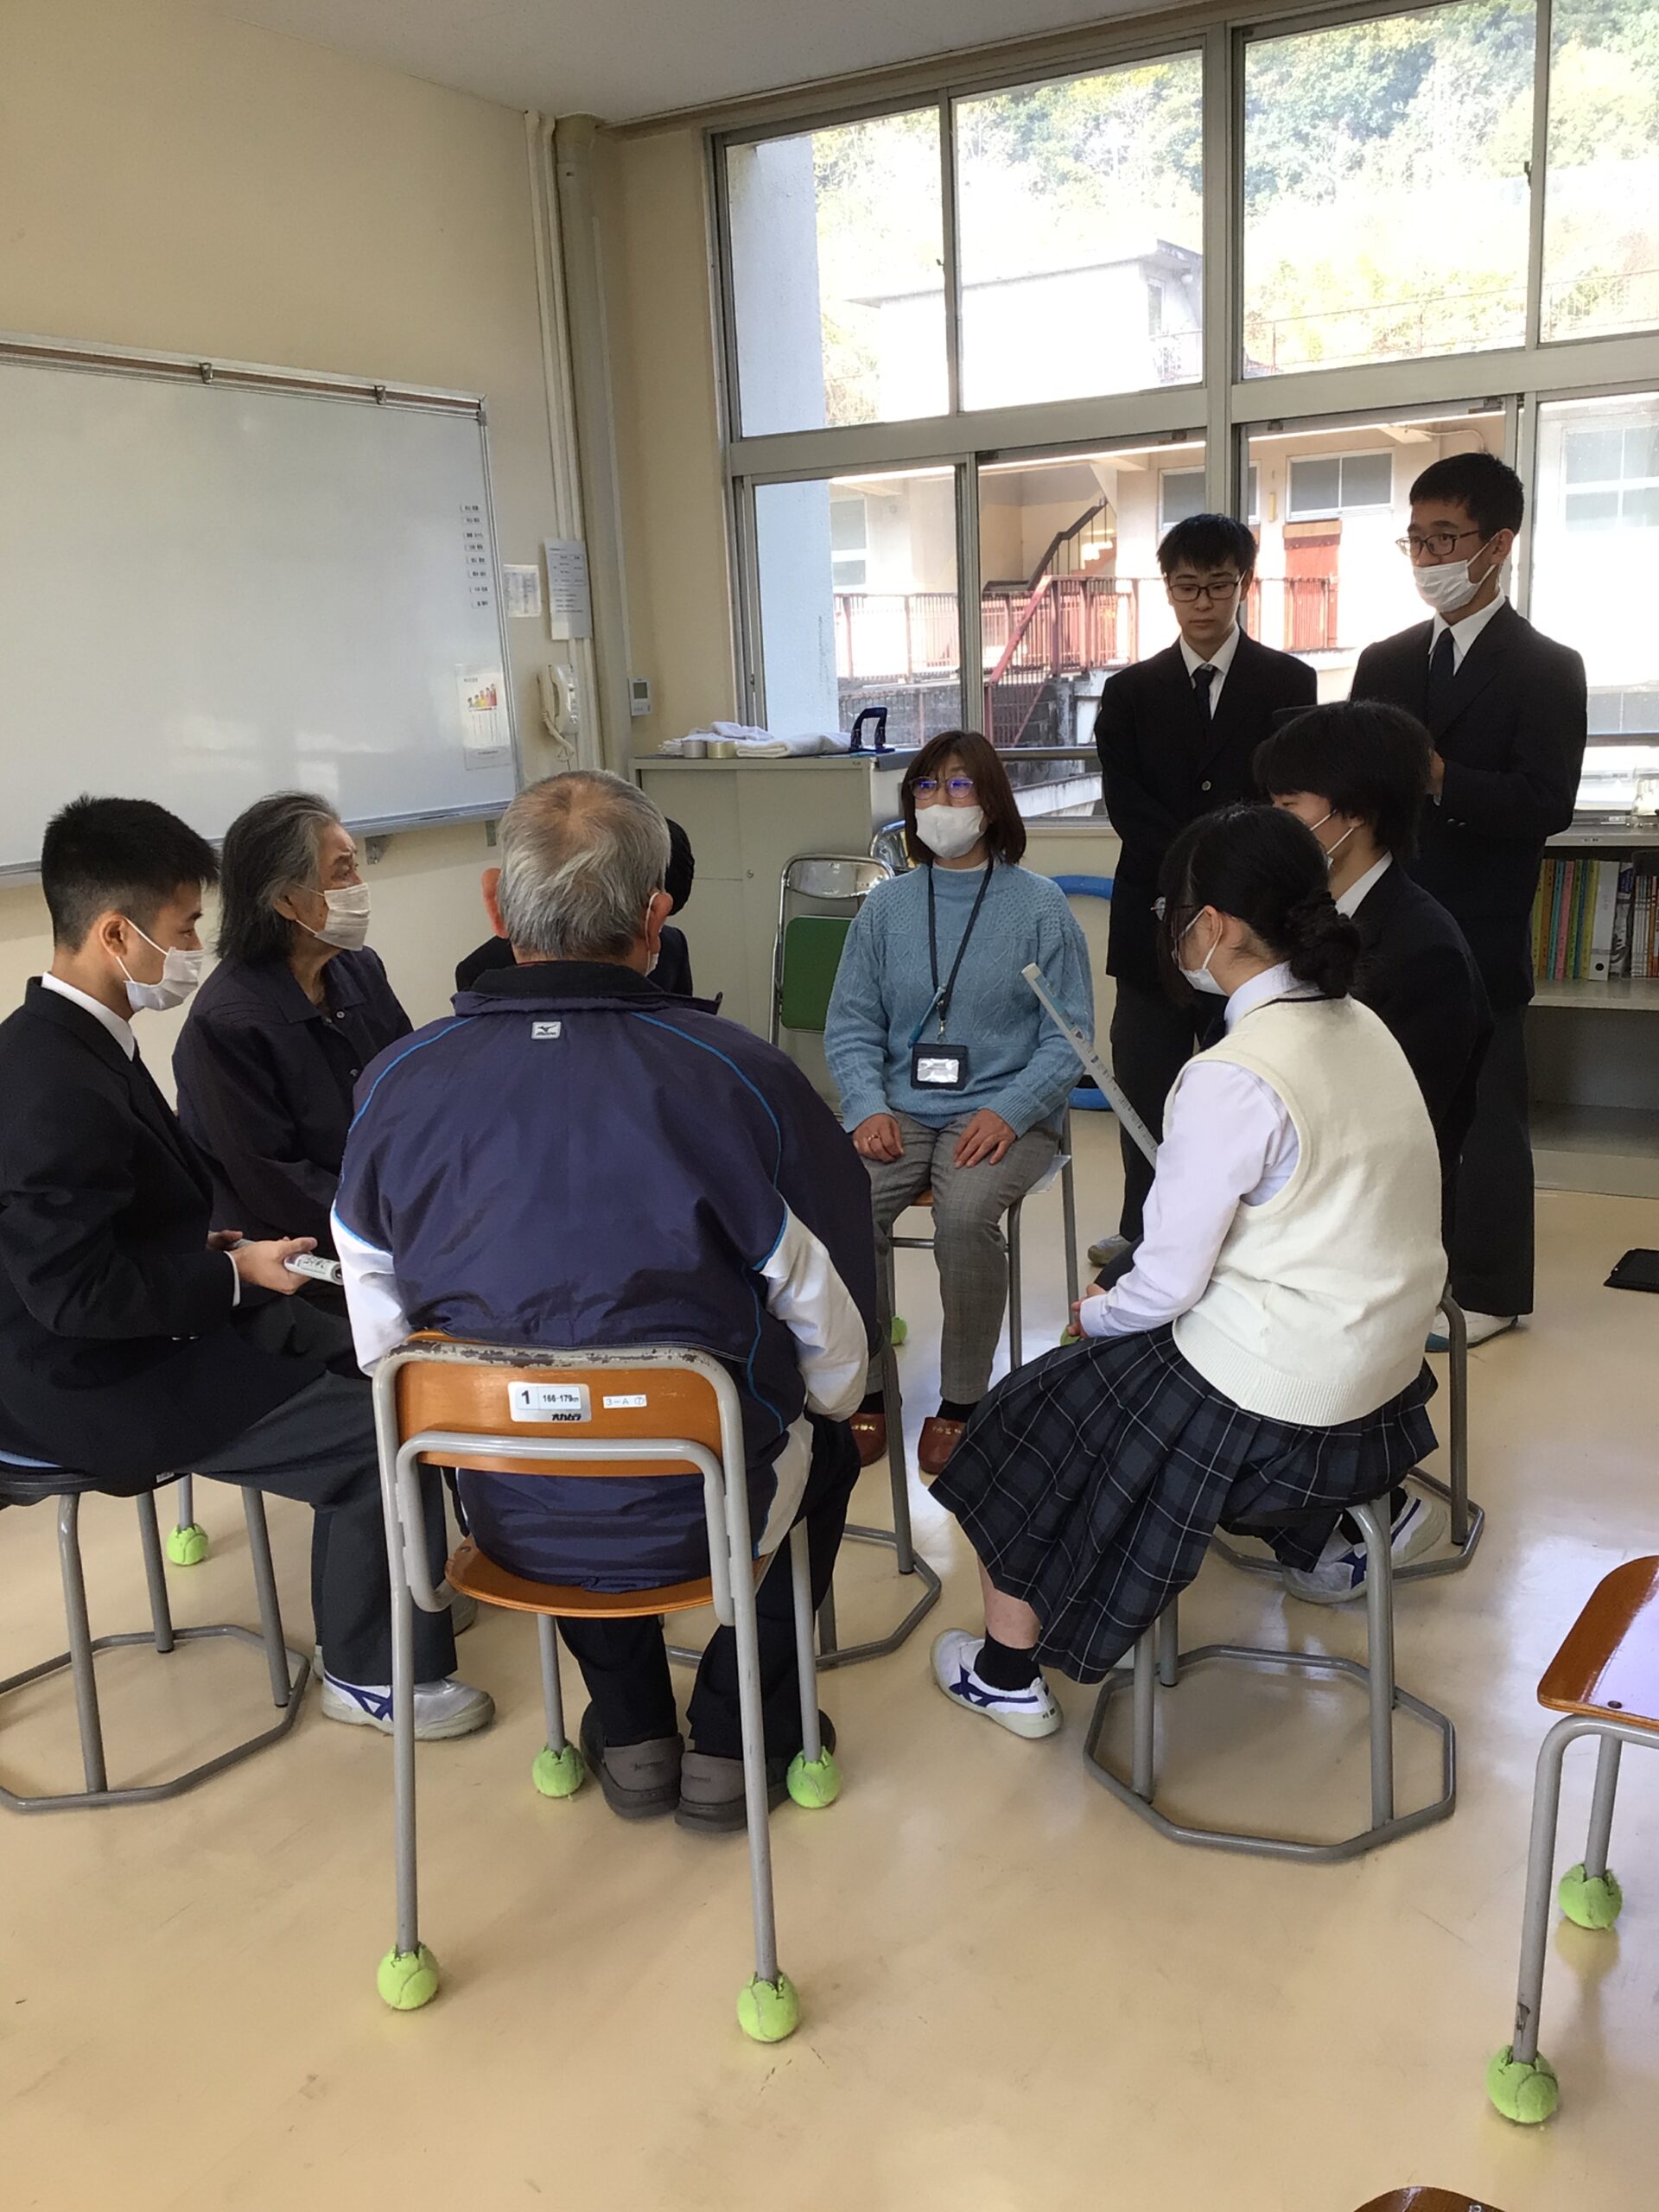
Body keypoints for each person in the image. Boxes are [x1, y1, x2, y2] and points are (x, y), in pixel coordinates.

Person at [334, 771, 877, 1834]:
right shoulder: (741, 1078)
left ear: (497, 905)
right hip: (707, 1505)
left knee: (558, 1434)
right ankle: (735, 1740)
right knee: (827, 1446)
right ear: (655, 915)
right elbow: (831, 1310)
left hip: (505, 1513)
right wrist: (831, 1403)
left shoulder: (395, 1083)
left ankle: (629, 1729)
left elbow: (380, 1337)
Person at [925, 804, 1446, 1732]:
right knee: (1128, 1353)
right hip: (1386, 1369)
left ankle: (1005, 1669)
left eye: (1174, 914)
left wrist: (1094, 1314)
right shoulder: (1361, 1022)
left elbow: (1166, 1285)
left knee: (1022, 1414)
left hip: (1285, 1389)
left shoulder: (1234, 1073)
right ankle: (1325, 1541)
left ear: (1210, 926)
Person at [0, 798, 490, 1740]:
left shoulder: (73, 1040)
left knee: (387, 1366)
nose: (195, 948)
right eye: (185, 927)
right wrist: (230, 1277)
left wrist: (219, 1257)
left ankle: (400, 1593)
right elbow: (72, 1294)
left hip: (160, 1315)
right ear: (116, 933)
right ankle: (369, 1674)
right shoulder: (51, 1077)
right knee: (374, 1435)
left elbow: (108, 1231)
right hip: (90, 1378)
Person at [1351, 452, 1587, 1346]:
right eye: (1415, 540)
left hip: (1481, 922)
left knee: (1486, 1112)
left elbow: (1545, 802)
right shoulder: (1385, 660)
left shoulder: (1546, 667)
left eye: (1445, 538)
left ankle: (1489, 1289)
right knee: (1383, 1106)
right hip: (1381, 917)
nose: (1427, 557)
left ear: (1498, 545)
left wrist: (1444, 777)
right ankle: (1385, 1268)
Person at [823, 731, 1092, 1478]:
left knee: (966, 1216)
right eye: (927, 786)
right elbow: (852, 1023)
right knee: (841, 1205)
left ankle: (964, 1399)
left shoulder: (1040, 907)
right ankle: (864, 1384)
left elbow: (1069, 1037)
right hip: (902, 1109)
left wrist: (1012, 1109)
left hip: (1006, 1111)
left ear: (993, 803)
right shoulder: (887, 907)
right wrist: (865, 1106)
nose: (941, 801)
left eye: (961, 785)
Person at [1094, 514, 1317, 1243]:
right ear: (1167, 588)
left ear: (1243, 584)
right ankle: (1143, 1233)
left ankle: (1239, 1240)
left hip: (1254, 921)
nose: (1203, 602)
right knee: (1146, 1085)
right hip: (1152, 921)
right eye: (1187, 586)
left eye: (1218, 585)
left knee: (1252, 1087)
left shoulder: (1288, 682)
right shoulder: (1129, 692)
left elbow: (1285, 796)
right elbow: (1128, 806)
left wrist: (1233, 877)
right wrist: (1198, 874)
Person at [1256, 700, 1494, 1188]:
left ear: (1357, 812)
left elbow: (1397, 1126)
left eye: (1288, 807)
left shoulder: (1425, 951)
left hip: (1366, 1203)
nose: (1274, 825)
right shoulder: (1292, 912)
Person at [174, 792, 410, 1262]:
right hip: (300, 1255)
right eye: (342, 872)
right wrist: (396, 1224)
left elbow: (411, 1086)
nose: (358, 885)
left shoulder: (360, 968)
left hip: (391, 1213)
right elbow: (276, 1184)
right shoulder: (226, 1025)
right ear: (286, 900)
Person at [454, 814, 698, 997]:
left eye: (657, 922)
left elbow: (684, 1023)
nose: (652, 932)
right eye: (640, 913)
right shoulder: (482, 971)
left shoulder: (671, 946)